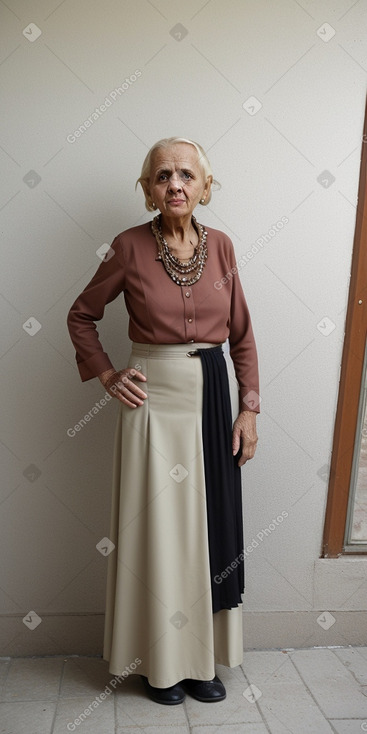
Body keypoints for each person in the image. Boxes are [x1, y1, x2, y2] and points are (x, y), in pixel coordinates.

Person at [67, 136, 260, 705]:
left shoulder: (221, 247)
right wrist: (106, 374)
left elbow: (243, 335)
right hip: (151, 406)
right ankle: (159, 665)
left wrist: (249, 407)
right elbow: (81, 316)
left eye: (186, 175)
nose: (175, 184)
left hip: (213, 399)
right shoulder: (127, 248)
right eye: (162, 176)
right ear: (148, 189)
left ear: (204, 186)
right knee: (161, 536)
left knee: (208, 531)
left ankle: (201, 661)